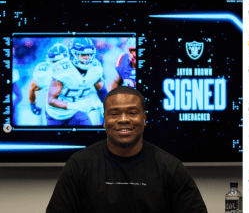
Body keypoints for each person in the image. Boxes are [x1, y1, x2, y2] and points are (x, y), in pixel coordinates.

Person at [46, 86, 208, 213]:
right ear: (104, 119)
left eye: (132, 112)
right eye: (114, 113)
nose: (123, 120)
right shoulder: (79, 165)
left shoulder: (170, 168)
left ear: (144, 118)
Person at [46, 38, 107, 126]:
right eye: (83, 55)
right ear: (72, 54)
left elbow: (102, 91)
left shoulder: (95, 68)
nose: (87, 58)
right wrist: (74, 105)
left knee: (90, 136)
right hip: (56, 115)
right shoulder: (62, 70)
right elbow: (51, 100)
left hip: (76, 112)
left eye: (90, 55)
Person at [29, 43, 69, 124]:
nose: (59, 65)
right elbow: (33, 88)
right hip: (54, 114)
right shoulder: (45, 73)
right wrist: (32, 104)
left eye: (61, 62)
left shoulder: (77, 69)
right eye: (55, 62)